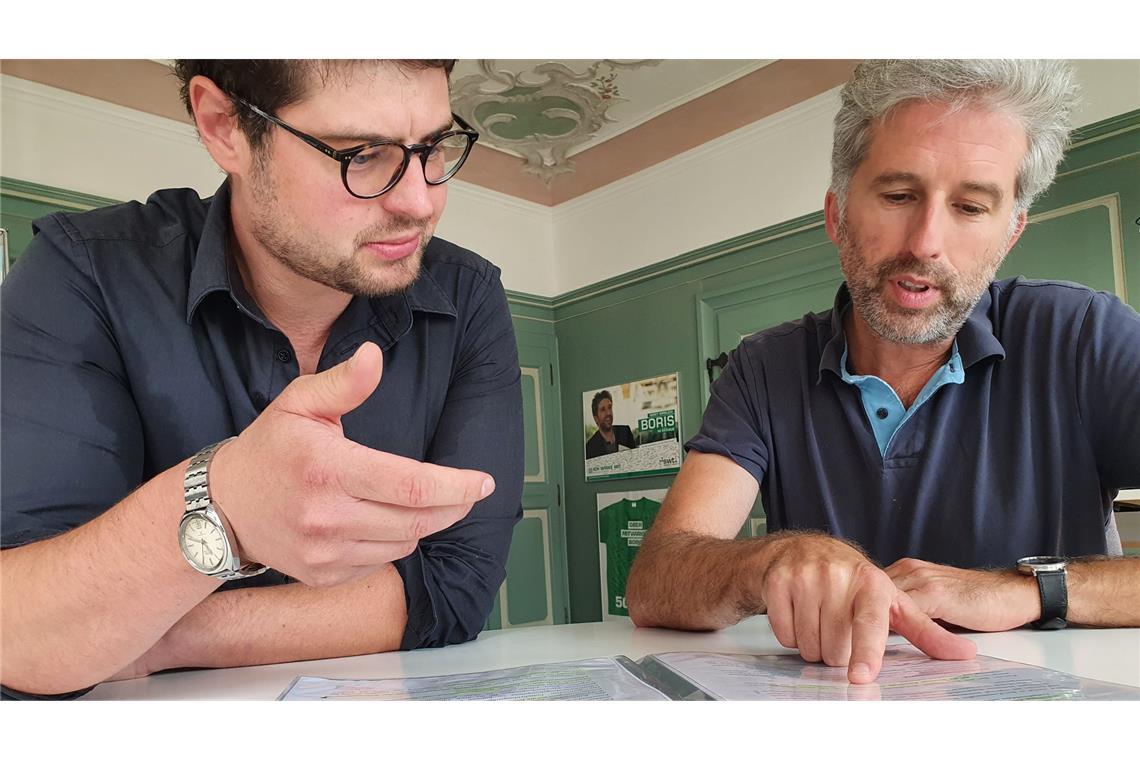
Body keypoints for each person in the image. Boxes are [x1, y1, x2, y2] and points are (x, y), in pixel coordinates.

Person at [0, 59, 524, 698]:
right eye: (361, 154)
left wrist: (151, 636)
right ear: (224, 127)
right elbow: (19, 629)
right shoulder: (84, 274)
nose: (421, 202)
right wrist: (221, 501)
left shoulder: (468, 297)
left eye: (434, 147)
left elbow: (456, 588)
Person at [627, 59, 1140, 684]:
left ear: (1010, 233)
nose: (926, 242)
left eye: (971, 207)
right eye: (898, 195)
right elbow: (656, 580)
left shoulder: (1086, 335)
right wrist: (769, 561)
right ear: (837, 214)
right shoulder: (762, 367)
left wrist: (1028, 589)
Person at [585, 389, 639, 459]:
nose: (608, 413)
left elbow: (636, 459)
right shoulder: (590, 447)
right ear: (596, 418)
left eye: (609, 407)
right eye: (603, 410)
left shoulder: (625, 431)